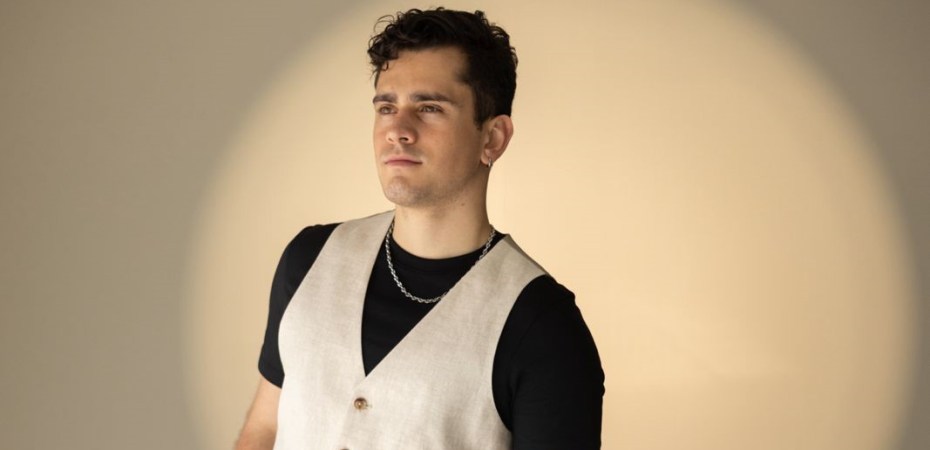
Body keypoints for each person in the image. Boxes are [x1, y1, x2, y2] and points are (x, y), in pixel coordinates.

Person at [235, 7, 604, 450]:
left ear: (492, 138)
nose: (398, 130)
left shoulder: (542, 326)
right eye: (386, 107)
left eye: (429, 108)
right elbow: (264, 428)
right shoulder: (309, 260)